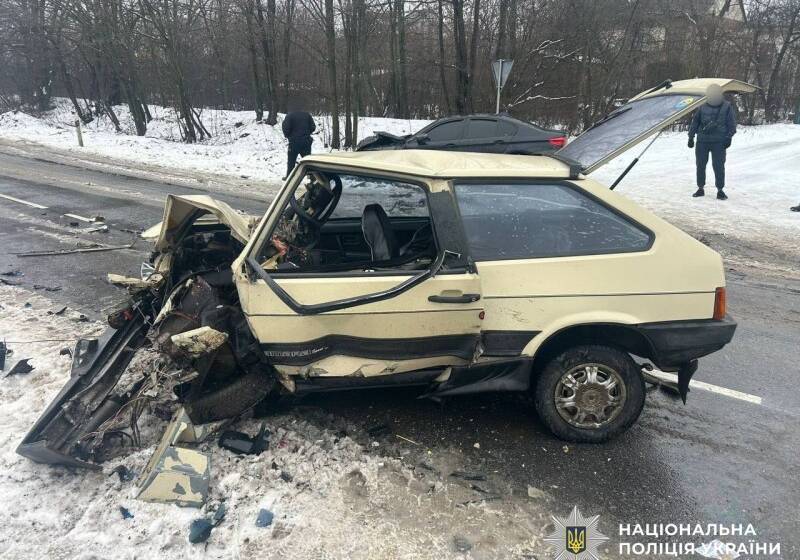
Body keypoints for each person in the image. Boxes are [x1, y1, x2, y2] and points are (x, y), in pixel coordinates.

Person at [688, 84, 736, 200]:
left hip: (719, 142)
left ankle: (720, 190)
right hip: (702, 141)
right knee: (700, 165)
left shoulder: (726, 106)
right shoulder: (701, 105)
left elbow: (731, 124)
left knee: (718, 166)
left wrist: (729, 137)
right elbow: (695, 122)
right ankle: (700, 188)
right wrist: (691, 137)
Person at [281, 108, 316, 180]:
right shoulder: (307, 115)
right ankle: (312, 177)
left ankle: (289, 177)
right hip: (306, 141)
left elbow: (286, 128)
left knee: (291, 161)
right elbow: (313, 127)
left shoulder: (289, 115)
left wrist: (288, 136)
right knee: (308, 161)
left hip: (294, 142)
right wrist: (306, 133)